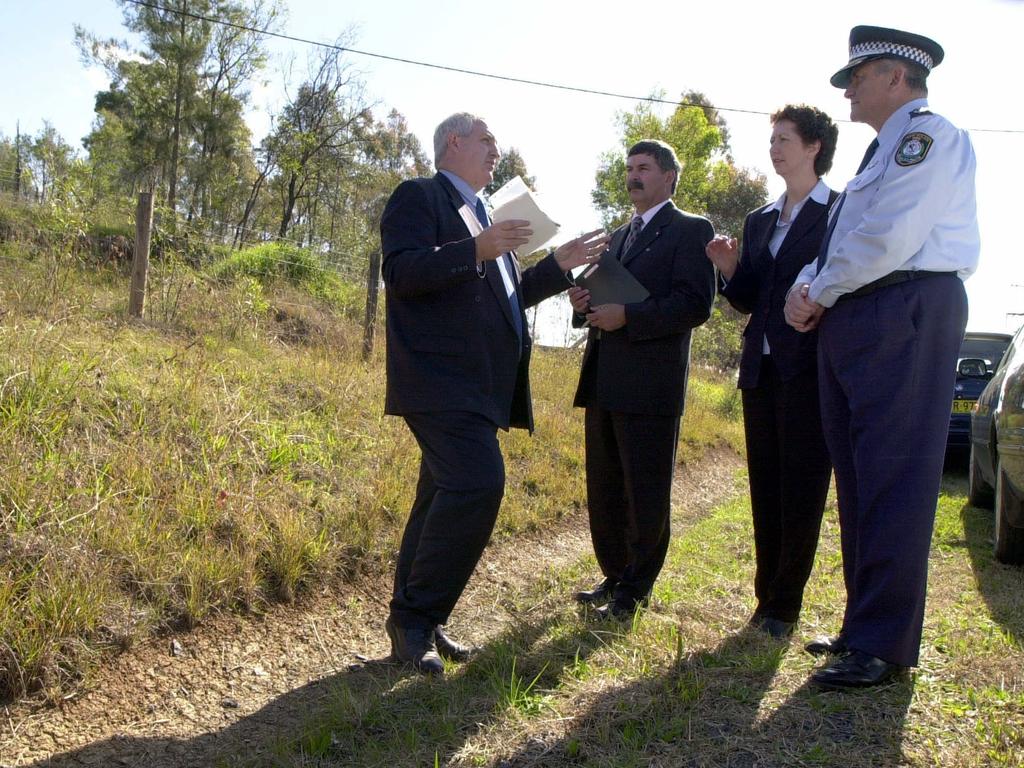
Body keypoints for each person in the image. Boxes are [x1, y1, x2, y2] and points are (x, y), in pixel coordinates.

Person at [784, 27, 979, 689]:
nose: (847, 88)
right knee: (861, 476)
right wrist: (805, 285)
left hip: (904, 307)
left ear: (897, 76)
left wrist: (820, 289)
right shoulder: (878, 154)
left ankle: (882, 643)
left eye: (857, 76)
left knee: (894, 479)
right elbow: (846, 236)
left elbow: (889, 237)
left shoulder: (929, 137)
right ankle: (862, 627)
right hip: (862, 310)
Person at [380, 112, 608, 675]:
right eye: (486, 141)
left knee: (440, 495)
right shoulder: (421, 196)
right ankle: (417, 616)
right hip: (438, 380)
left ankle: (416, 622)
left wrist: (557, 265)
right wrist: (475, 250)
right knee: (478, 484)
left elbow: (510, 294)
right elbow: (402, 272)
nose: (494, 151)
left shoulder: (489, 216)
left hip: (481, 387)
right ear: (452, 143)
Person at [705, 105, 839, 639]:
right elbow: (748, 299)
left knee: (802, 487)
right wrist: (729, 268)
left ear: (814, 147)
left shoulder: (840, 211)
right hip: (758, 370)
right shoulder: (759, 219)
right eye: (772, 139)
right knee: (765, 485)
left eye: (785, 138)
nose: (774, 148)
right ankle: (766, 602)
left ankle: (785, 608)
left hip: (808, 368)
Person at [568, 139, 716, 619]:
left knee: (645, 490)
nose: (633, 176)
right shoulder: (618, 234)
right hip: (604, 378)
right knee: (606, 486)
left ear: (670, 176)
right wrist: (582, 305)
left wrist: (629, 317)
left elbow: (696, 304)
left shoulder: (691, 230)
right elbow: (598, 299)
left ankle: (636, 588)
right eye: (630, 168)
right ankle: (614, 575)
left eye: (644, 168)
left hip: (651, 386)